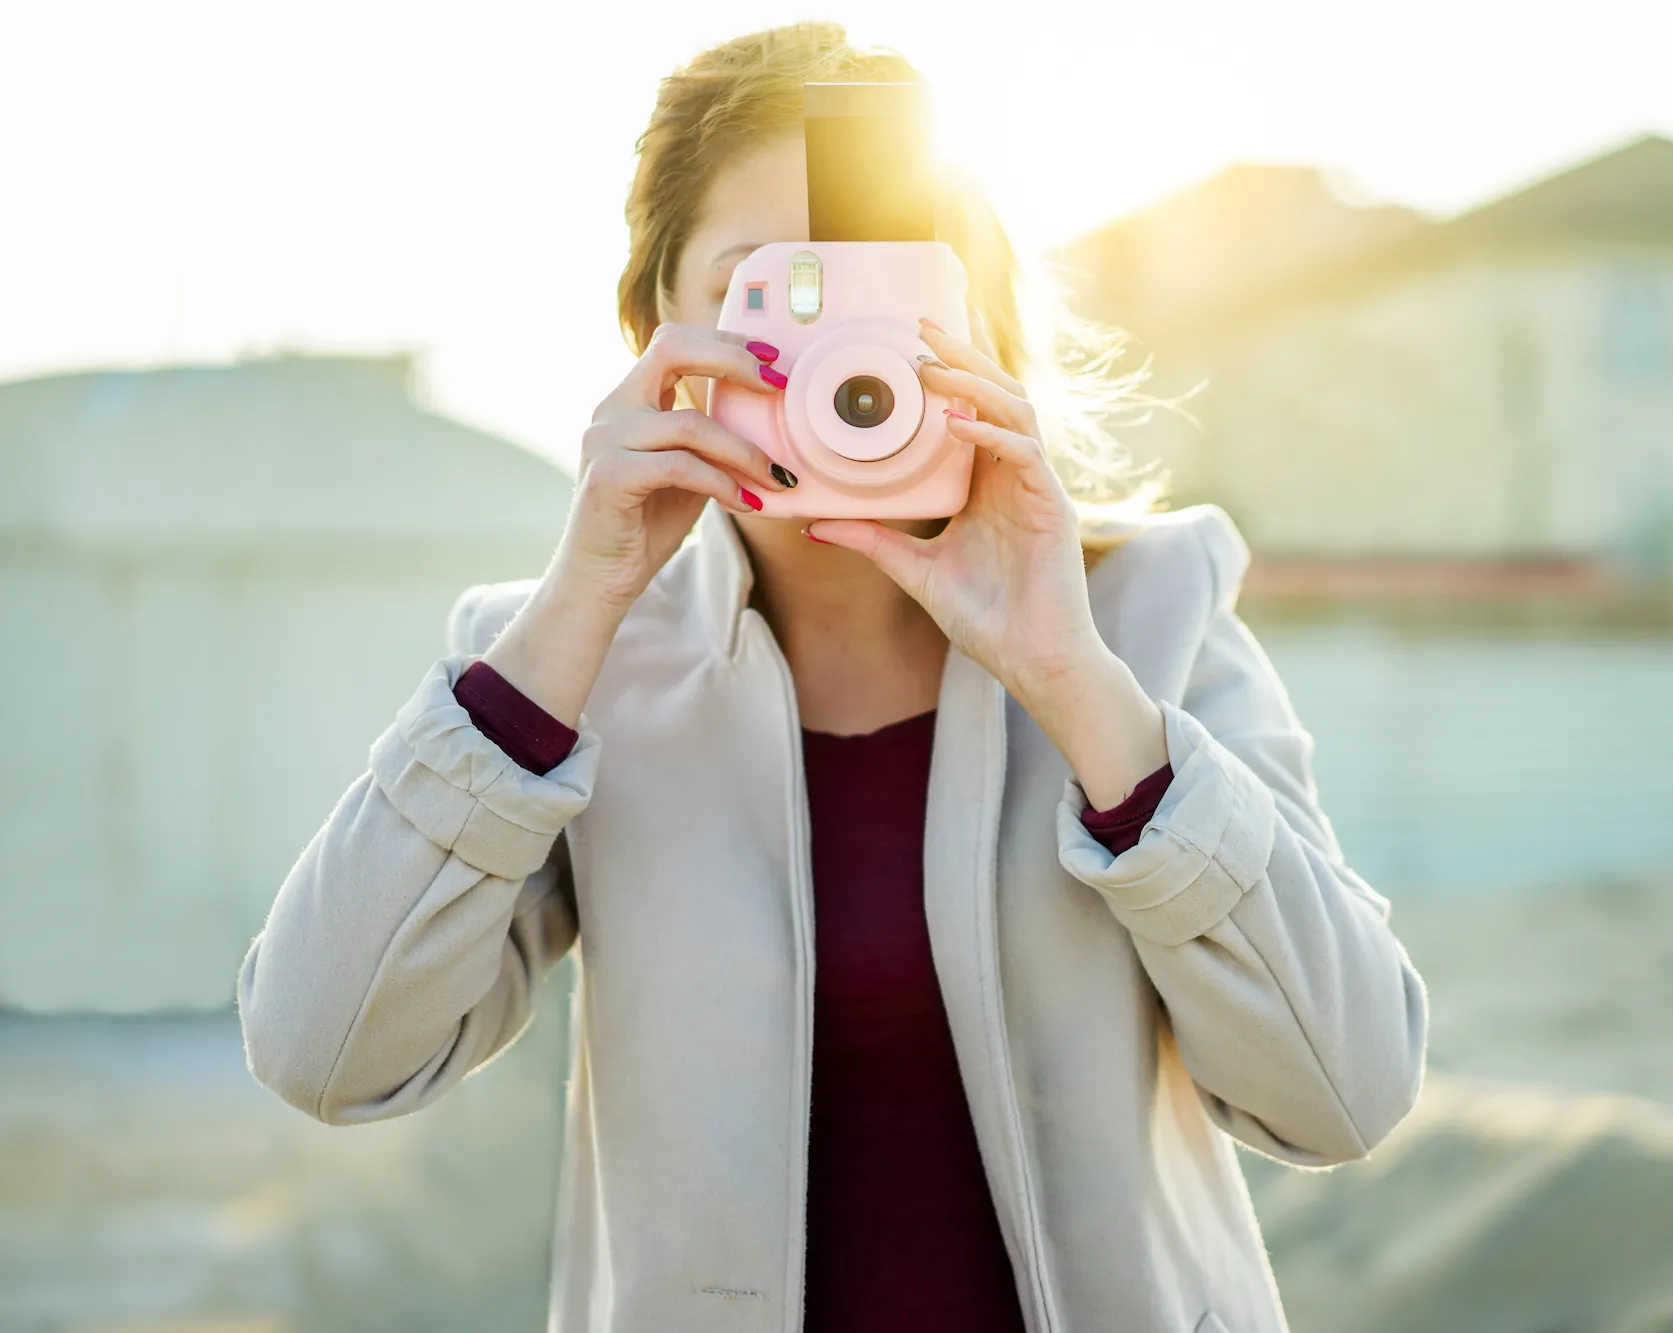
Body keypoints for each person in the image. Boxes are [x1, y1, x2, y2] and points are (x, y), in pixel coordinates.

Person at [236, 21, 1428, 1333]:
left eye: (893, 297)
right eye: (775, 294)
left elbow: (1346, 1092)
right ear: (655, 332)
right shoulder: (563, 670)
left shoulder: (1151, 617)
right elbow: (324, 1053)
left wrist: (1073, 682)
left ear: (982, 333)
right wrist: (579, 606)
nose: (841, 360)